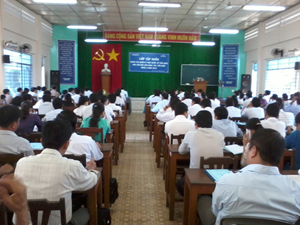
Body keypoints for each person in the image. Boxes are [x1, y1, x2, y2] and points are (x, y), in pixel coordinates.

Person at [198, 129, 300, 225]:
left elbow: (216, 211)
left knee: (203, 198)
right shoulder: (295, 190)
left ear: (254, 151)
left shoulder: (227, 181)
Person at [14, 119, 99, 225]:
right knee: (86, 211)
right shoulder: (71, 166)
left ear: (41, 141)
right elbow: (90, 182)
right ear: (66, 144)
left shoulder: (22, 163)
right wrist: (92, 170)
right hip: (60, 223)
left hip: (22, 222)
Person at [176, 111, 224, 196]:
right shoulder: (220, 135)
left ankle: (193, 199)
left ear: (196, 123)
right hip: (217, 176)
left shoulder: (191, 134)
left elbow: (181, 151)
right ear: (211, 123)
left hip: (196, 176)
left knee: (179, 183)